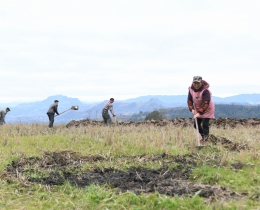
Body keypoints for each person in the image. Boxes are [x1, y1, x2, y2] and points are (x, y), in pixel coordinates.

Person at [187, 76, 215, 142]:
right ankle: (204, 137)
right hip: (198, 107)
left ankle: (206, 140)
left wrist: (199, 113)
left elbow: (206, 103)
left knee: (205, 124)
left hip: (207, 108)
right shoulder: (191, 90)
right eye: (195, 83)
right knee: (196, 125)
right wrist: (192, 109)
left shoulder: (205, 91)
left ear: (201, 83)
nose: (196, 85)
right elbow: (189, 101)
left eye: (198, 83)